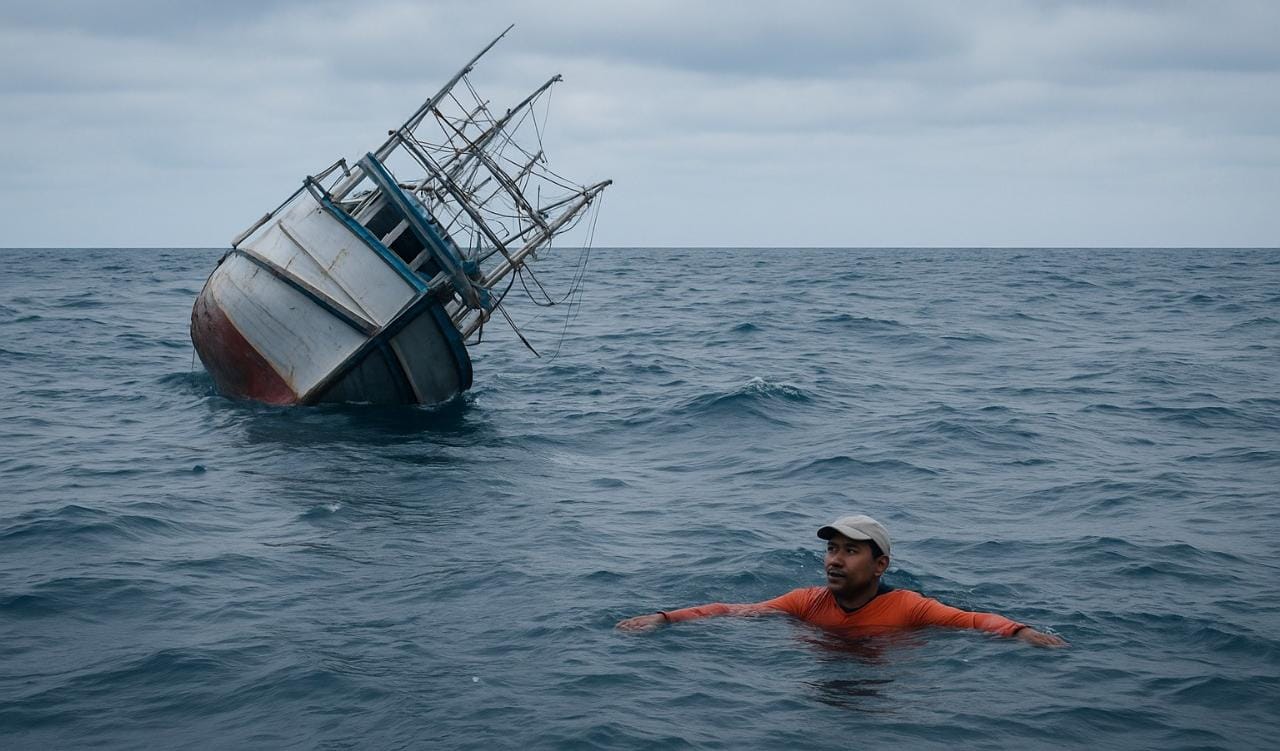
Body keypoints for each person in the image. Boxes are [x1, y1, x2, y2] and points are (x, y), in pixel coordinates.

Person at [616, 514, 1068, 647]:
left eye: (851, 551)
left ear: (880, 565)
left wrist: (1022, 632)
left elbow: (972, 621)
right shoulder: (806, 601)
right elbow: (729, 611)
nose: (835, 560)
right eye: (831, 549)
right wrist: (665, 618)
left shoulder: (911, 606)